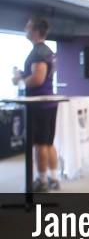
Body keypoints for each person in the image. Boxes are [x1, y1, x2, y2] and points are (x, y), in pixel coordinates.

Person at [11, 17, 60, 191]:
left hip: (40, 104)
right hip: (46, 103)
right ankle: (53, 178)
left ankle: (43, 181)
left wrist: (20, 79)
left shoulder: (39, 52)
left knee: (40, 144)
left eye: (28, 26)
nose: (25, 28)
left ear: (36, 31)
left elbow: (38, 78)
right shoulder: (44, 51)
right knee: (47, 142)